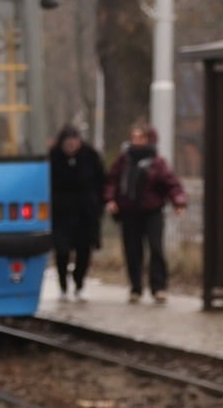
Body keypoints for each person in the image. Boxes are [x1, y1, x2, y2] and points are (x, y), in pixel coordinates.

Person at [104, 121, 187, 303]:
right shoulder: (123, 160)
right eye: (133, 137)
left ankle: (158, 287)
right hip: (129, 211)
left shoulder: (157, 162)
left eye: (140, 137)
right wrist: (110, 199)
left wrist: (178, 202)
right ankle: (135, 288)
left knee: (156, 248)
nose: (137, 141)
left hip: (152, 211)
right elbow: (112, 181)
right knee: (132, 251)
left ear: (148, 139)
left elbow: (171, 183)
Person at [47, 125, 105, 298]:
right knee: (62, 251)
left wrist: (98, 205)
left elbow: (101, 181)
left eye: (74, 142)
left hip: (85, 214)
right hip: (60, 214)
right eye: (67, 143)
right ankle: (63, 283)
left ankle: (79, 281)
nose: (71, 146)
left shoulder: (90, 156)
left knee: (84, 251)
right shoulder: (53, 158)